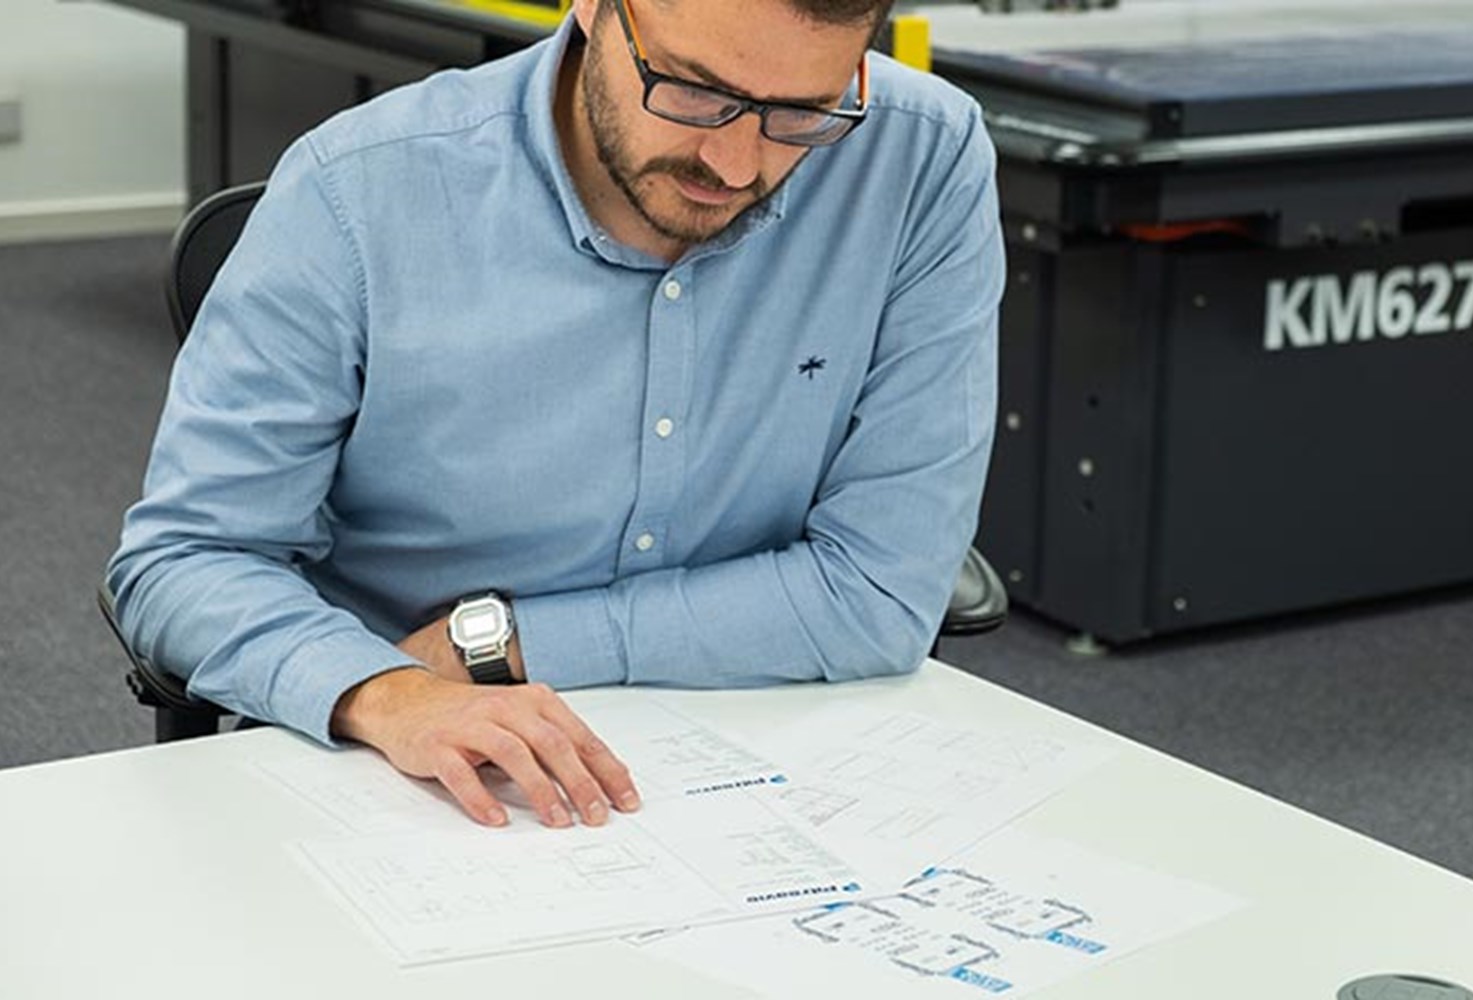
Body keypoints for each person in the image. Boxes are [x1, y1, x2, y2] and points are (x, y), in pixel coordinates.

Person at [107, 0, 1002, 830]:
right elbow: (188, 559)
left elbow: (883, 589)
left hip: (776, 760)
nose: (737, 166)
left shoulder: (922, 158)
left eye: (803, 114)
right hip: (420, 776)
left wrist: (500, 644)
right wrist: (384, 689)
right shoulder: (360, 193)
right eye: (694, 92)